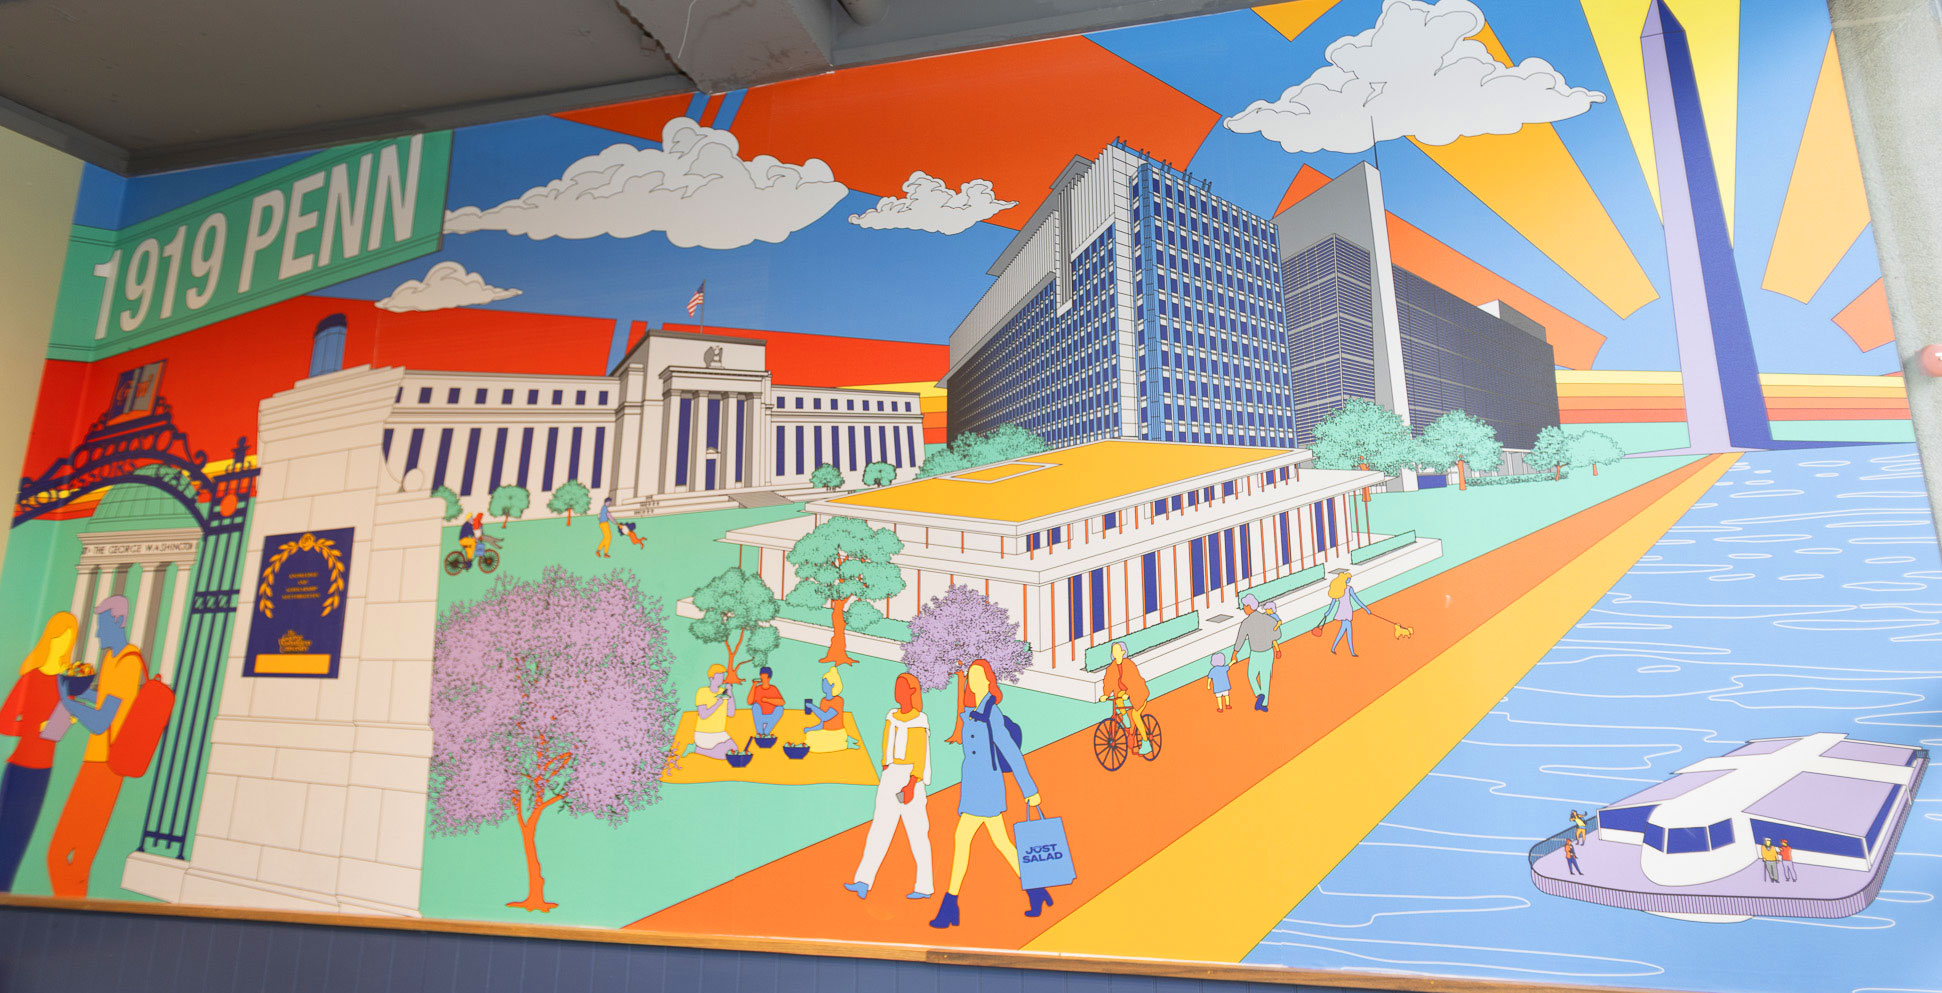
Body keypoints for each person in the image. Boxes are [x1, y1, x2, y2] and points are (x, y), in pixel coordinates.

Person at [931, 658, 1045, 929]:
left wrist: (1030, 790)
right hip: (973, 786)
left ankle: (950, 905)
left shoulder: (991, 712)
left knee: (963, 839)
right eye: (970, 676)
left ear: (988, 680)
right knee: (1002, 844)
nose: (972, 680)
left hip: (987, 788)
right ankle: (1036, 890)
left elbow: (1011, 752)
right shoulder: (973, 710)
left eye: (977, 676)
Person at [47, 597, 147, 898]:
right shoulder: (110, 660)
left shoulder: (128, 663)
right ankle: (68, 912)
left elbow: (102, 722)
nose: (97, 634)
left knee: (72, 859)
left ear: (119, 621)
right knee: (61, 856)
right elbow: (106, 702)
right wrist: (82, 691)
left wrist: (68, 702)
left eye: (102, 625)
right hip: (93, 763)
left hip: (106, 768)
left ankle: (67, 917)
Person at [0, 613, 75, 890]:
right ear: (49, 639)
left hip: (42, 772)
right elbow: (5, 722)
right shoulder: (30, 678)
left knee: (20, 840)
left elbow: (55, 735)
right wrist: (34, 727)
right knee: (4, 836)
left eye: (67, 640)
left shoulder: (67, 685)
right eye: (58, 638)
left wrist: (62, 722)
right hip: (19, 768)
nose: (62, 645)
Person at [846, 671, 932, 901]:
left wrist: (912, 782)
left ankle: (924, 886)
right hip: (891, 775)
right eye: (896, 687)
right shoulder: (892, 716)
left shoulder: (918, 720)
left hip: (910, 777)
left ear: (911, 692)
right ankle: (863, 880)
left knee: (917, 833)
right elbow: (886, 744)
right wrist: (886, 768)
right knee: (879, 828)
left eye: (901, 687)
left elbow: (920, 755)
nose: (896, 691)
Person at [1099, 642, 1152, 756]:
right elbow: (1108, 682)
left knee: (1135, 715)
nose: (1115, 653)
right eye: (1114, 651)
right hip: (1124, 692)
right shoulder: (1112, 668)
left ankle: (1146, 742)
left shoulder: (1129, 665)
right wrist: (1106, 694)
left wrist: (1128, 693)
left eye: (1117, 650)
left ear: (1123, 652)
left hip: (1138, 692)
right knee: (1117, 699)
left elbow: (1135, 682)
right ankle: (1125, 719)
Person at [1233, 595, 1280, 712]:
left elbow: (1240, 639)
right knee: (1265, 679)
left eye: (1244, 606)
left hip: (1255, 653)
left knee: (1251, 676)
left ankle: (1259, 694)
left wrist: (1235, 653)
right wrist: (1268, 637)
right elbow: (1278, 635)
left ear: (1249, 606)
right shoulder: (1269, 619)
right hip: (1268, 652)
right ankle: (1263, 704)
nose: (1243, 609)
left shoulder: (1246, 622)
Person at [686, 665, 738, 761]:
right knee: (725, 755)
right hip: (704, 733)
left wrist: (730, 693)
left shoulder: (723, 692)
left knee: (734, 751)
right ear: (711, 678)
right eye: (719, 677)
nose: (722, 679)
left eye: (722, 676)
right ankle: (699, 750)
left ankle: (700, 750)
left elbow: (731, 713)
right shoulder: (702, 692)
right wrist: (717, 704)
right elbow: (703, 715)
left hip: (720, 733)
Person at [803, 667, 861, 752]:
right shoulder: (823, 701)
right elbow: (823, 724)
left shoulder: (838, 701)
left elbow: (825, 717)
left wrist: (812, 707)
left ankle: (845, 744)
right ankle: (845, 739)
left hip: (837, 732)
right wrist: (810, 729)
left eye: (825, 683)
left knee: (814, 748)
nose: (823, 685)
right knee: (809, 737)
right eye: (822, 683)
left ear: (832, 685)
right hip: (827, 732)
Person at [1324, 571, 1373, 657]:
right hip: (1346, 611)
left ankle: (1334, 648)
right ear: (1345, 580)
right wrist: (1366, 609)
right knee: (1348, 631)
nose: (1350, 579)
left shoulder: (1339, 589)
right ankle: (1351, 652)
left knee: (1343, 630)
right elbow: (1356, 600)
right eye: (1348, 578)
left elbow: (1333, 602)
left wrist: (1329, 611)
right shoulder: (1348, 589)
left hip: (1343, 610)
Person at [747, 666, 785, 739]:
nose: (763, 680)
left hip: (771, 717)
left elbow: (782, 702)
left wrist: (768, 700)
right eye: (761, 678)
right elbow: (749, 702)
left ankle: (766, 733)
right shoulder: (757, 689)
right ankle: (760, 733)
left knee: (780, 708)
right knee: (755, 706)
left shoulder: (773, 688)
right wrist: (754, 685)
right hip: (760, 717)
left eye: (765, 678)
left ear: (769, 678)